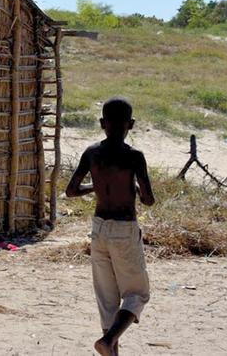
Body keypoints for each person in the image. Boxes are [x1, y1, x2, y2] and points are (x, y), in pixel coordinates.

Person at [65, 98, 154, 356]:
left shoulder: (92, 152)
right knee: (137, 294)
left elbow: (71, 191)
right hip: (124, 229)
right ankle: (108, 341)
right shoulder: (134, 156)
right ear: (131, 125)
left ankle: (110, 348)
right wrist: (134, 190)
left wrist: (96, 186)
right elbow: (148, 200)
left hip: (99, 228)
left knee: (107, 301)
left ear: (102, 123)